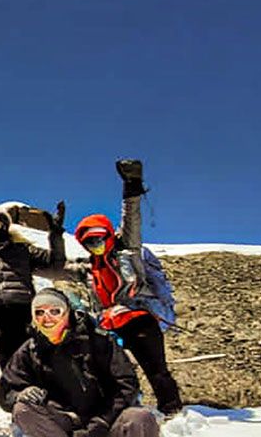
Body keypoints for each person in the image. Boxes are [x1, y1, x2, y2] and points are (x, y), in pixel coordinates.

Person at [0, 288, 170, 437]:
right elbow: (5, 392)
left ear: (67, 312)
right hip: (68, 427)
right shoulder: (29, 350)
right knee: (22, 409)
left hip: (109, 421)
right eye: (40, 312)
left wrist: (100, 423)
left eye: (54, 311)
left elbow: (126, 384)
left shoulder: (98, 340)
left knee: (141, 418)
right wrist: (21, 393)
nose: (47, 318)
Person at [72, 159, 183, 415]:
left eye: (99, 238)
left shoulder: (126, 250)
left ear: (109, 235)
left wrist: (131, 185)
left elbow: (132, 217)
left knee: (155, 368)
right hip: (111, 326)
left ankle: (172, 411)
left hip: (140, 318)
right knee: (114, 371)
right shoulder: (89, 268)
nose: (96, 244)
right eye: (90, 242)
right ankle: (127, 409)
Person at [0, 200, 67, 368]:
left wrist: (55, 235)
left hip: (25, 317)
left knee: (36, 365)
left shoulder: (23, 250)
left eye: (0, 221)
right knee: (11, 370)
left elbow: (55, 266)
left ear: (7, 224)